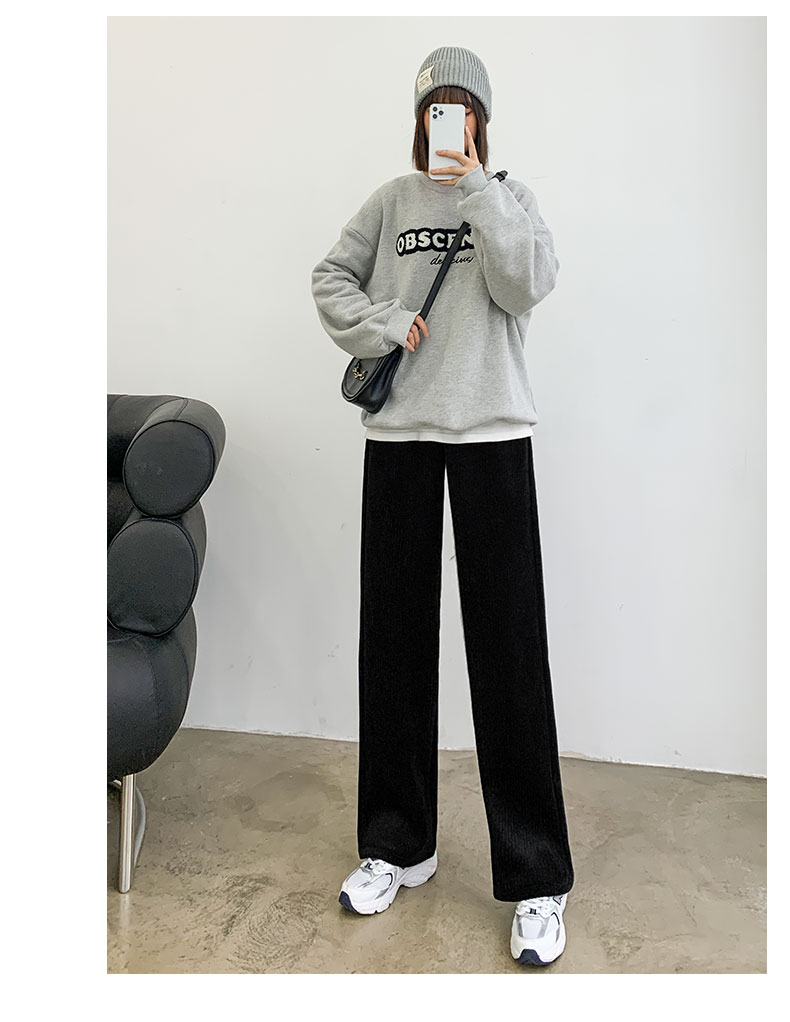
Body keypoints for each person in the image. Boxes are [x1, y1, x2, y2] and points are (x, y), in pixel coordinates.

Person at [310, 45, 575, 967]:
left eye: (460, 110)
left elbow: (526, 285)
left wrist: (481, 195)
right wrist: (385, 323)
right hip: (400, 443)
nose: (445, 125)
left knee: (510, 655)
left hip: (494, 434)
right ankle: (396, 845)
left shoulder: (511, 198)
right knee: (391, 646)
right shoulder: (390, 202)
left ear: (482, 122)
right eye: (434, 110)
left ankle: (537, 878)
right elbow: (329, 277)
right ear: (418, 119)